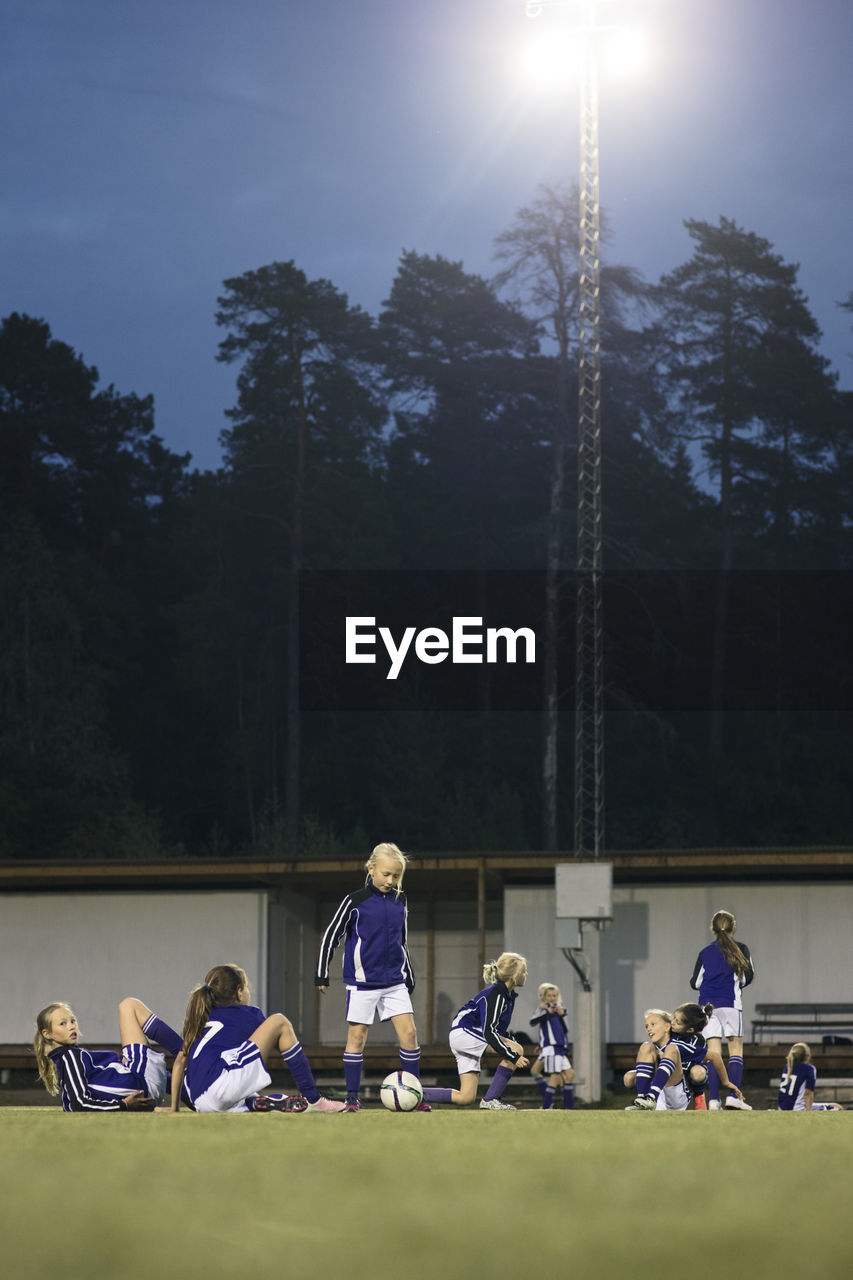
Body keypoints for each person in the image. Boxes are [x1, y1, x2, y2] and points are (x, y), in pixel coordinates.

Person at [315, 842, 427, 1113]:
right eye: (386, 874)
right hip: (362, 983)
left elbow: (402, 941)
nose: (391, 881)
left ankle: (416, 1098)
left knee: (410, 1034)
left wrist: (408, 975)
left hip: (394, 982)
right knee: (357, 1038)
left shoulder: (401, 900)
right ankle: (352, 1099)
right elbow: (332, 935)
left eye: (396, 876)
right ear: (371, 869)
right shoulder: (355, 901)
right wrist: (321, 973)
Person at [160, 963, 344, 1113]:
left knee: (246, 1092)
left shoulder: (201, 1019)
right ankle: (313, 1099)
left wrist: (174, 1108)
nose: (248, 992)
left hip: (199, 1101)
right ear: (239, 992)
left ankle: (256, 1103)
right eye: (246, 987)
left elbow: (178, 1063)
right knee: (279, 1022)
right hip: (221, 1085)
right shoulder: (249, 1014)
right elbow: (278, 1043)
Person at [420, 953, 530, 1111]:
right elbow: (489, 1032)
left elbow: (496, 1031)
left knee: (465, 1097)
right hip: (464, 1032)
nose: (526, 974)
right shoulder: (497, 994)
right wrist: (512, 1056)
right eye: (524, 971)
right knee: (516, 1049)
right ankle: (491, 1099)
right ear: (513, 975)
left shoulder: (506, 995)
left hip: (466, 1035)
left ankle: (416, 1094)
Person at [34, 997, 182, 1111]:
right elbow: (77, 1103)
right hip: (141, 1083)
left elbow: (75, 1102)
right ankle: (188, 1053)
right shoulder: (69, 1056)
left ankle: (188, 1084)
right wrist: (123, 1105)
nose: (71, 1026)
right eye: (63, 1023)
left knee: (124, 1060)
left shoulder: (69, 1057)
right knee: (128, 1006)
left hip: (142, 1092)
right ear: (47, 1034)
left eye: (73, 1021)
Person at [624, 1003, 747, 1111]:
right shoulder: (655, 1045)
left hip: (678, 1092)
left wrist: (726, 1082)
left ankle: (696, 1096)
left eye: (653, 1024)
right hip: (660, 1090)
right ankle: (642, 1100)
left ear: (666, 1027)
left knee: (675, 1051)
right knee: (635, 1065)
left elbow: (714, 1056)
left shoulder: (684, 1043)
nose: (649, 1028)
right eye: (647, 1026)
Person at [689, 909, 754, 1110]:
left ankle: (714, 1100)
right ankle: (734, 1097)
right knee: (735, 1051)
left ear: (712, 930)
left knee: (713, 1053)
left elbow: (695, 982)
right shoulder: (741, 949)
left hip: (708, 1008)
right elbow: (747, 978)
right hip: (731, 1004)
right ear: (734, 928)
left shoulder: (705, 952)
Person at [529, 983, 574, 1110]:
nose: (552, 998)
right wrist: (545, 1011)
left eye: (554, 995)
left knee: (569, 1075)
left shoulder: (560, 1008)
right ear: (543, 997)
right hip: (550, 1048)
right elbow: (533, 1021)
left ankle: (566, 1107)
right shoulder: (542, 1009)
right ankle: (548, 1104)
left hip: (557, 1047)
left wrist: (562, 1014)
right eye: (549, 995)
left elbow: (565, 1029)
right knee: (539, 1073)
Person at [777, 1043, 842, 1112]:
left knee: (833, 1105)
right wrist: (808, 1112)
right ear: (807, 1056)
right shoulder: (809, 1069)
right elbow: (808, 1093)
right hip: (798, 1108)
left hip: (782, 1108)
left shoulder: (788, 1066)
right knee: (837, 1107)